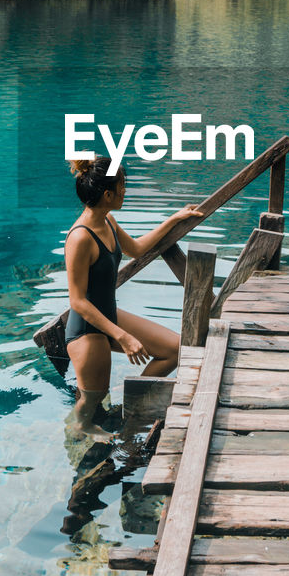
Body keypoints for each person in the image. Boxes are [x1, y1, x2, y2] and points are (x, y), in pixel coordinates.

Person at [64, 156, 203, 438]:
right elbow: (77, 301)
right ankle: (80, 428)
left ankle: (132, 403)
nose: (125, 191)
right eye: (122, 186)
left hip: (109, 318)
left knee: (173, 349)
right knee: (92, 398)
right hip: (87, 331)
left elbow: (137, 249)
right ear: (107, 194)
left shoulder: (108, 221)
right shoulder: (80, 238)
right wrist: (124, 337)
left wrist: (174, 218)